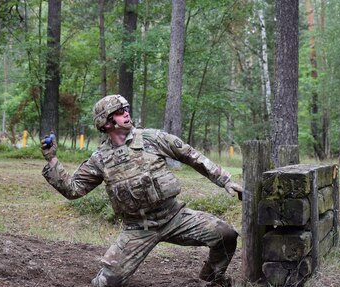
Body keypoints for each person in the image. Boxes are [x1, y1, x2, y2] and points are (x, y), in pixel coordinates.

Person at [41, 95, 243, 287]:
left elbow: (191, 156)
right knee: (107, 283)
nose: (126, 113)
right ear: (106, 122)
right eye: (120, 111)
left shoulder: (152, 139)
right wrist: (52, 160)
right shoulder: (100, 159)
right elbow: (74, 189)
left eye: (126, 109)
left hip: (175, 217)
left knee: (225, 234)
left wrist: (224, 180)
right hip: (138, 228)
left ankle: (210, 280)